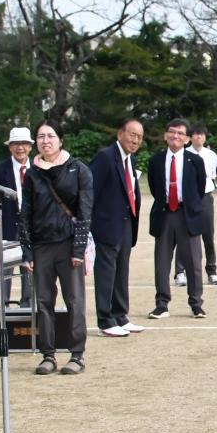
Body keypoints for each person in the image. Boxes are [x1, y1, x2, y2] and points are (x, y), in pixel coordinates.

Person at [21, 122, 91, 374]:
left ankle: (77, 355)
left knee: (74, 300)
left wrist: (78, 248)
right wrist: (26, 251)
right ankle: (48, 354)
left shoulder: (77, 169)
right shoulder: (32, 173)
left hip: (68, 243)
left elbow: (84, 211)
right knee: (43, 302)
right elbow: (25, 213)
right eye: (40, 136)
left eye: (51, 136)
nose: (45, 140)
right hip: (41, 246)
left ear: (61, 140)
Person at [147, 117, 209, 321]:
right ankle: (162, 304)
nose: (176, 136)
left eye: (181, 133)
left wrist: (187, 206)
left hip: (187, 214)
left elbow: (199, 189)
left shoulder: (195, 161)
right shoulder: (155, 161)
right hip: (164, 214)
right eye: (172, 132)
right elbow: (155, 188)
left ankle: (196, 303)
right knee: (162, 262)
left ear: (187, 139)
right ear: (165, 135)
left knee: (193, 262)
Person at [89, 118, 145, 338]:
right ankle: (105, 319)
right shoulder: (105, 157)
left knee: (122, 271)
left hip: (126, 223)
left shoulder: (131, 159)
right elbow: (90, 192)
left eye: (139, 137)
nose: (135, 140)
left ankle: (121, 315)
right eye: (132, 135)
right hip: (106, 225)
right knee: (106, 273)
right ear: (120, 134)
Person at [0, 127, 33, 243]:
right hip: (9, 232)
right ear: (9, 147)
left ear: (30, 147)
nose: (20, 148)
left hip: (36, 231)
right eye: (16, 144)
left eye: (24, 143)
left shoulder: (39, 168)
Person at [191, 124, 217, 284]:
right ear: (190, 137)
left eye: (202, 135)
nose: (199, 137)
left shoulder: (211, 155)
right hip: (189, 197)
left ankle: (212, 270)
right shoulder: (185, 153)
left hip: (206, 195)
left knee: (208, 234)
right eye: (196, 135)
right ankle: (180, 272)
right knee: (186, 235)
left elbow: (211, 175)